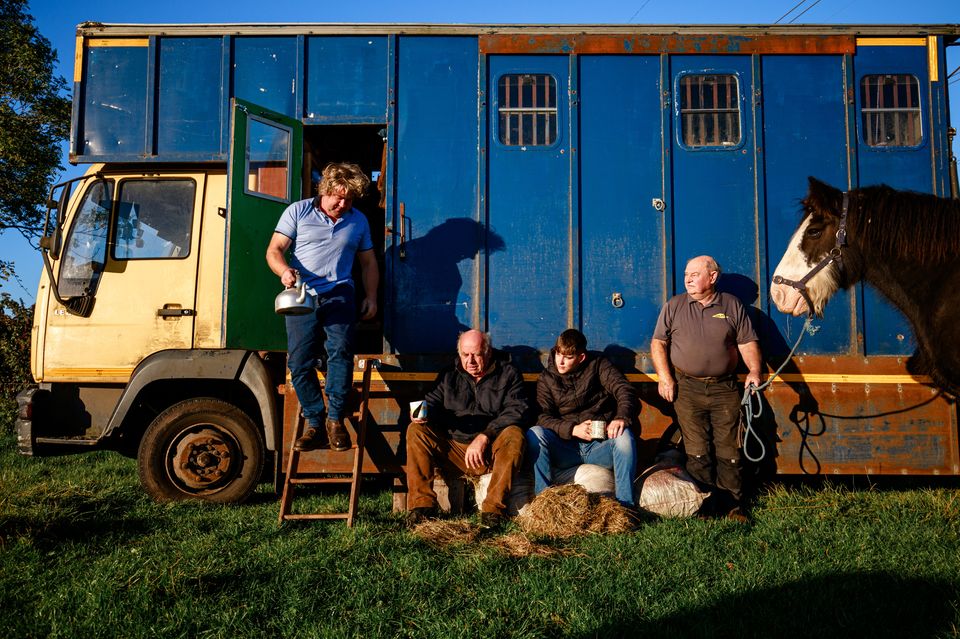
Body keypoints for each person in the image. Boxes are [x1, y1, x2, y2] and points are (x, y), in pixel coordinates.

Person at [266, 162, 379, 452]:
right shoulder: (298, 211)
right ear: (325, 189)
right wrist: (284, 272)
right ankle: (314, 421)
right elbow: (274, 250)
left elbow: (368, 263)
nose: (343, 204)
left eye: (349, 199)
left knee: (340, 352)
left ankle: (334, 420)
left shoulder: (359, 221)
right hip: (303, 293)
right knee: (299, 363)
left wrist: (371, 296)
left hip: (340, 291)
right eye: (338, 197)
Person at [650, 255, 762, 520]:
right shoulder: (675, 305)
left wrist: (755, 371)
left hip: (725, 389)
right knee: (697, 450)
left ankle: (733, 506)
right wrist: (665, 378)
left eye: (694, 274)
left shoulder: (732, 305)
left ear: (712, 277)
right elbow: (658, 343)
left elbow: (747, 343)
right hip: (687, 389)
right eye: (686, 274)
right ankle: (703, 507)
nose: (687, 279)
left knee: (729, 450)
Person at [405, 330, 529, 529]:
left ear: (488, 352)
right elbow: (431, 402)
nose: (470, 360)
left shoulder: (508, 373)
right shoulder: (448, 375)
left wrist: (485, 436)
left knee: (514, 434)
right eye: (465, 354)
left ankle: (492, 511)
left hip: (489, 452)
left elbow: (517, 410)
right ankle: (423, 507)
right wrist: (421, 413)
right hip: (454, 450)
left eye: (476, 354)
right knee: (415, 430)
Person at [525, 329, 639, 508]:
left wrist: (621, 417)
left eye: (568, 357)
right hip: (566, 449)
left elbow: (624, 390)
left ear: (581, 358)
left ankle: (626, 507)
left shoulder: (599, 365)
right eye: (558, 354)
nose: (561, 361)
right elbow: (542, 417)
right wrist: (572, 429)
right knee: (535, 433)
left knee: (624, 437)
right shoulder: (547, 379)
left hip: (599, 447)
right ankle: (545, 505)